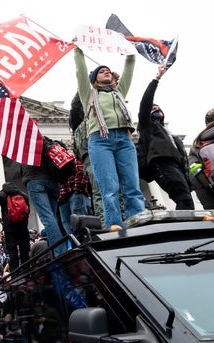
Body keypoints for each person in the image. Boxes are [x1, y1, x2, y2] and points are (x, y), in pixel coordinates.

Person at [73, 44, 146, 230]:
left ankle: (137, 220)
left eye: (107, 70)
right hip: (100, 140)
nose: (105, 71)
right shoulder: (88, 94)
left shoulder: (118, 92)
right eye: (100, 71)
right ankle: (114, 223)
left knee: (132, 185)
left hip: (124, 138)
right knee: (109, 187)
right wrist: (78, 49)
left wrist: (130, 51)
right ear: (93, 79)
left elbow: (129, 67)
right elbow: (80, 71)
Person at [137, 64, 194, 210]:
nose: (155, 109)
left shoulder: (168, 134)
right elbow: (145, 104)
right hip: (162, 165)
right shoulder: (146, 128)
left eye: (158, 108)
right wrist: (156, 79)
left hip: (177, 166)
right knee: (184, 199)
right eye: (152, 108)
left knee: (187, 200)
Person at [20, 162, 65, 257]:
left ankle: (59, 252)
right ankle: (55, 251)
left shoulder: (24, 147)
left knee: (48, 218)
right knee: (53, 218)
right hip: (51, 179)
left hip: (34, 179)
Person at [0, 182, 31, 272]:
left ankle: (14, 273)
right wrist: (24, 221)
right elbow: (27, 209)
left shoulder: (2, 194)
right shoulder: (21, 194)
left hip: (9, 226)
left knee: (12, 250)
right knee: (24, 249)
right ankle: (27, 271)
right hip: (22, 225)